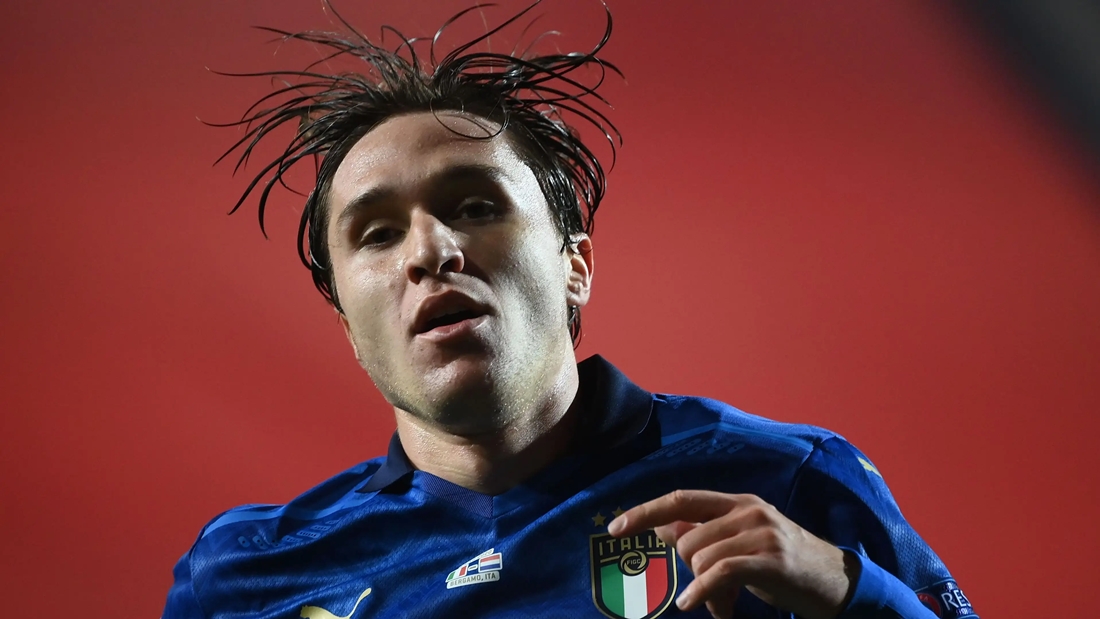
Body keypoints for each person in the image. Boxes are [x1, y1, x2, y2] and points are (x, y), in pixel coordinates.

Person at [164, 3, 977, 618]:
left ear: (574, 266)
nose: (430, 250)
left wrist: (852, 590)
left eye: (475, 206)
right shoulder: (247, 575)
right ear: (347, 323)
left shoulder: (786, 481)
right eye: (377, 233)